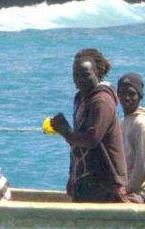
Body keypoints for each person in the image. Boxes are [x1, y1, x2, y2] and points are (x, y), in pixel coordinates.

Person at [50, 48, 128, 203]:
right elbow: (78, 144)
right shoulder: (81, 99)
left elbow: (91, 139)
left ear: (98, 73)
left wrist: (65, 131)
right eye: (76, 75)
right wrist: (73, 175)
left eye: (85, 75)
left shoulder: (102, 101)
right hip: (85, 179)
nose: (80, 80)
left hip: (104, 182)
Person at [118, 72, 145, 194]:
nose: (126, 98)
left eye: (132, 94)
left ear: (140, 96)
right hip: (124, 189)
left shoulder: (141, 124)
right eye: (122, 93)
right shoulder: (126, 120)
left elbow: (144, 164)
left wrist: (127, 190)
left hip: (135, 193)